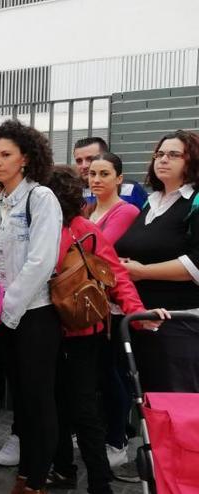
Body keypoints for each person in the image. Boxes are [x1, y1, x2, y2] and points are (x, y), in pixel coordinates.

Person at [45, 166, 167, 494]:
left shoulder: (73, 229)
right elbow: (118, 277)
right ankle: (74, 473)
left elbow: (116, 276)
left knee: (78, 406)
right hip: (68, 331)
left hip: (71, 333)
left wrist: (136, 313)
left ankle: (95, 481)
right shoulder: (73, 228)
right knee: (64, 404)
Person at [0, 120, 63, 494]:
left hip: (34, 316)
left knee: (38, 401)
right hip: (5, 319)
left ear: (26, 157)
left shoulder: (40, 198)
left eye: (6, 154)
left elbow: (41, 262)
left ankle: (37, 480)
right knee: (21, 402)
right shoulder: (0, 205)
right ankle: (27, 473)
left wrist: (6, 311)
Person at [116, 130, 199, 393]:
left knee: (177, 403)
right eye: (160, 154)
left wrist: (142, 271)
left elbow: (196, 263)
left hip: (178, 322)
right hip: (141, 318)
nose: (163, 160)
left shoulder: (193, 203)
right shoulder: (151, 203)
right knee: (149, 401)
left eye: (174, 155)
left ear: (192, 160)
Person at [84, 152, 142, 469]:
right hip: (93, 307)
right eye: (92, 173)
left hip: (116, 308)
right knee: (97, 376)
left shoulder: (126, 211)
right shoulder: (89, 210)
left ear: (119, 179)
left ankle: (117, 440)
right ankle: (105, 431)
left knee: (114, 376)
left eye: (104, 174)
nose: (96, 179)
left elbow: (96, 249)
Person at [73, 137, 147, 210]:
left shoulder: (130, 189)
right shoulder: (72, 194)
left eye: (90, 159)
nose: (84, 165)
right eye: (79, 161)